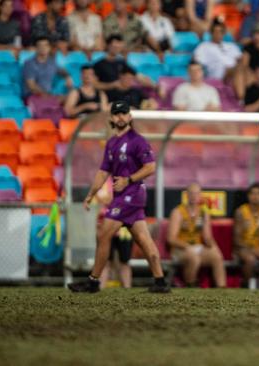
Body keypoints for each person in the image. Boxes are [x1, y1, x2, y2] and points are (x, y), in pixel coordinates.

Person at [68, 100, 171, 293]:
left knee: (104, 234)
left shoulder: (137, 140)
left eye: (124, 113)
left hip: (132, 194)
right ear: (112, 118)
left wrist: (128, 180)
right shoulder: (112, 143)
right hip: (123, 196)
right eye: (117, 114)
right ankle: (160, 282)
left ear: (130, 117)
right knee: (143, 239)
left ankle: (93, 282)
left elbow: (150, 167)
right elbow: (102, 172)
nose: (120, 117)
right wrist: (91, 194)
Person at [167, 183, 227, 288]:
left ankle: (222, 288)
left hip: (197, 247)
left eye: (197, 194)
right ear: (187, 195)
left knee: (217, 256)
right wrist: (187, 247)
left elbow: (207, 237)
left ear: (200, 196)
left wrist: (214, 247)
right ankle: (191, 286)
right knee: (194, 258)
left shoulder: (204, 212)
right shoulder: (178, 212)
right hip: (180, 248)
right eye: (191, 193)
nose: (194, 196)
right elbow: (171, 239)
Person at [94, 35, 155, 101]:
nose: (117, 49)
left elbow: (138, 75)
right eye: (114, 47)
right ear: (108, 46)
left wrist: (156, 86)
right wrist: (112, 85)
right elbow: (94, 85)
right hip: (107, 96)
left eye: (119, 47)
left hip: (123, 95)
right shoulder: (98, 65)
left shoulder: (122, 62)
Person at [232, 23, 259, 99]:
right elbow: (245, 65)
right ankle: (242, 98)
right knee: (241, 72)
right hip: (251, 72)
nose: (258, 36)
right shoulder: (249, 47)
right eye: (256, 34)